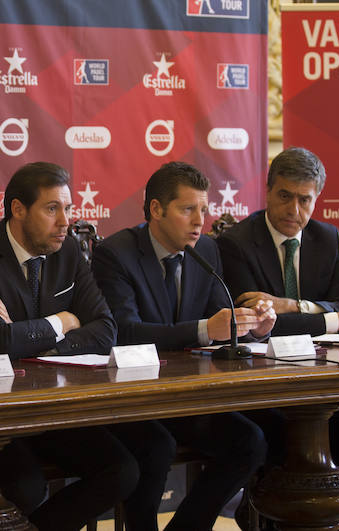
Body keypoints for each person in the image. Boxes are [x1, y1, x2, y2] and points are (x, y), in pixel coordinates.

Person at [0, 162, 173, 531]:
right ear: (18, 209)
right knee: (27, 485)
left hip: (57, 406)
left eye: (68, 209)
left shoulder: (66, 251)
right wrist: (63, 321)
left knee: (128, 465)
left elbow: (105, 330)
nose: (65, 221)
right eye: (53, 209)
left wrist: (28, 338)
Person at [91, 161, 274, 531]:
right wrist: (208, 328)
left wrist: (254, 327)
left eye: (203, 210)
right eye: (187, 209)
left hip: (187, 396)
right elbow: (124, 332)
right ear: (156, 209)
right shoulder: (116, 253)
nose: (199, 221)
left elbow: (217, 322)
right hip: (133, 399)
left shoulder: (206, 249)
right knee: (155, 447)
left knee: (250, 441)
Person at [216, 147, 339, 477]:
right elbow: (260, 324)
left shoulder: (326, 237)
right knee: (286, 451)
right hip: (264, 385)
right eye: (284, 196)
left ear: (316, 199)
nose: (293, 210)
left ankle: (315, 516)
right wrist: (333, 319)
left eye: (304, 200)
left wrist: (290, 305)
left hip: (323, 380)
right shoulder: (237, 242)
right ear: (267, 190)